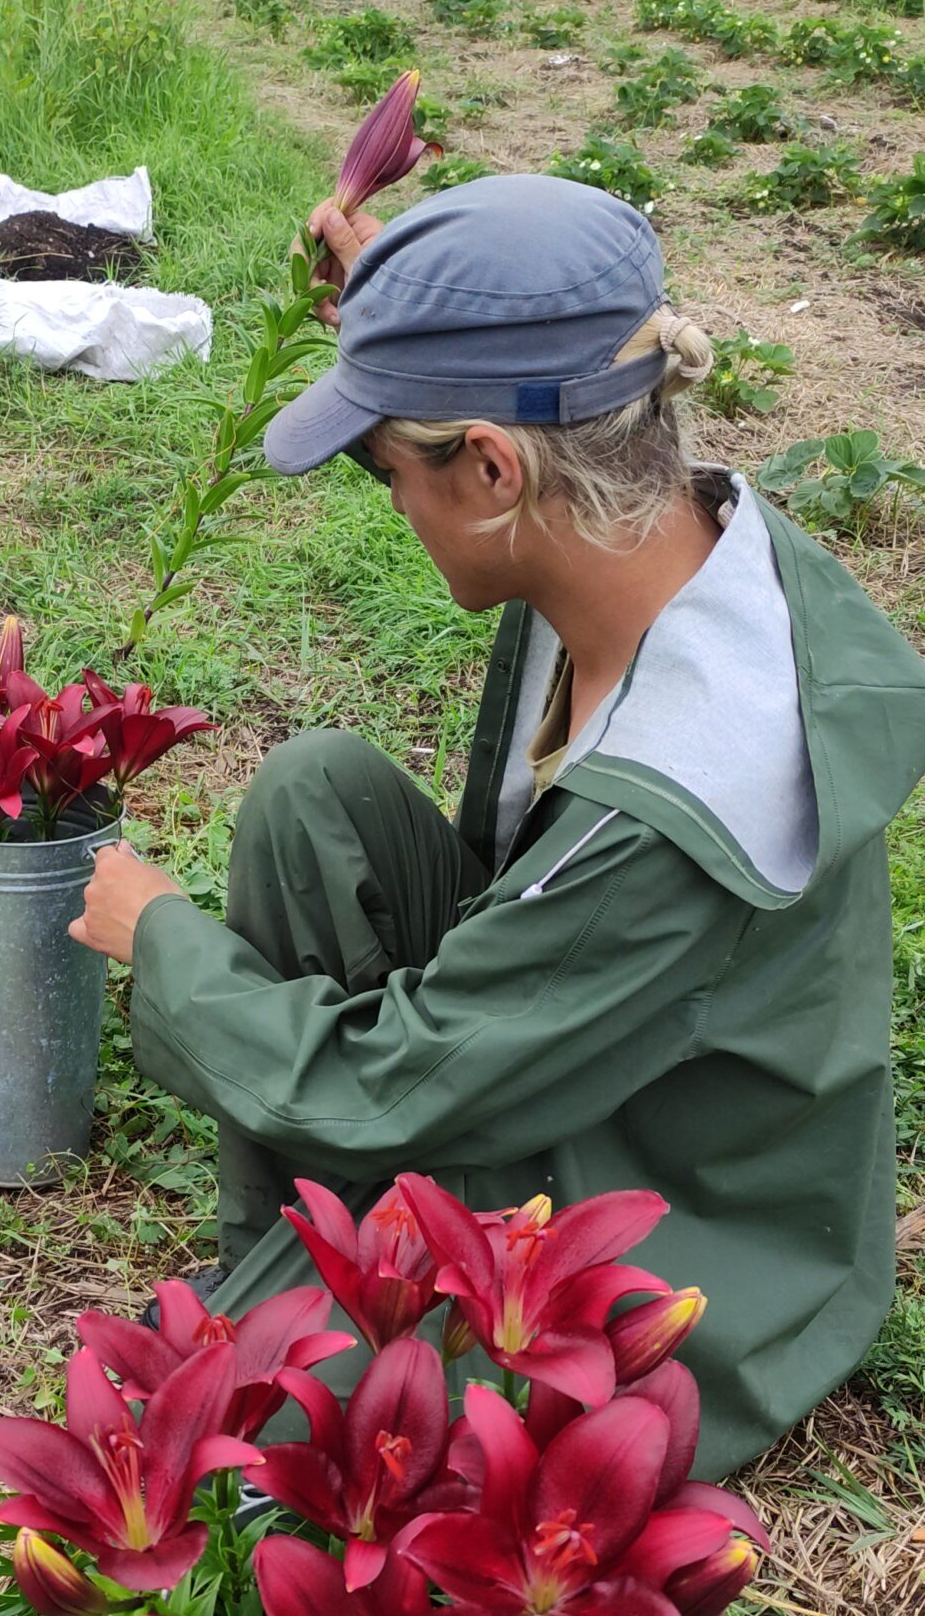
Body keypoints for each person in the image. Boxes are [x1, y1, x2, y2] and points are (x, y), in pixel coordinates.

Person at [69, 174, 925, 1480]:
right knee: (317, 798)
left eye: (383, 468)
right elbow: (543, 354)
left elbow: (391, 1078)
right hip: (588, 1056)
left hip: (685, 1219)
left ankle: (331, 1285)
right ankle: (296, 1250)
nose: (391, 502)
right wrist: (417, 317)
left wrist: (166, 941)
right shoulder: (639, 518)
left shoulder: (679, 791)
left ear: (490, 467)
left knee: (214, 1430)